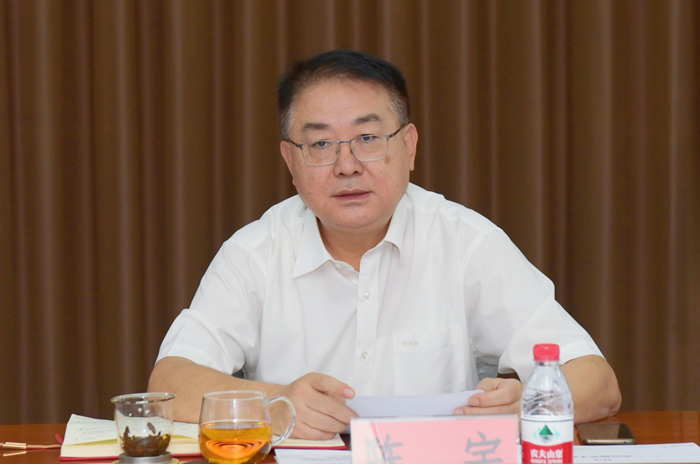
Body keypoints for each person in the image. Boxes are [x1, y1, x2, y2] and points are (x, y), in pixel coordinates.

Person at [148, 50, 621, 439]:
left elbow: (598, 383)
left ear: (409, 147)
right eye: (320, 145)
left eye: (368, 138)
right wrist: (276, 403)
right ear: (290, 161)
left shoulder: (466, 242)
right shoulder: (255, 252)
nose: (347, 165)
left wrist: (525, 405)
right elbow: (168, 385)